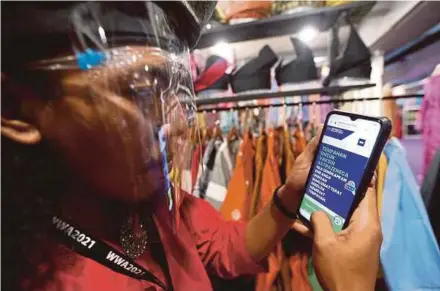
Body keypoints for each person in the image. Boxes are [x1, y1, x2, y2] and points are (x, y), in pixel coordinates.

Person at [1, 2, 382, 291]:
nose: (179, 126)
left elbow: (226, 249)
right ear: (14, 109)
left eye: (171, 89)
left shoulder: (155, 204)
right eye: (136, 91)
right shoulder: (35, 274)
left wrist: (288, 196)